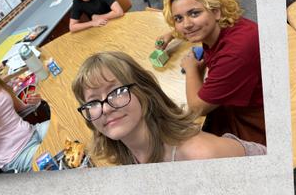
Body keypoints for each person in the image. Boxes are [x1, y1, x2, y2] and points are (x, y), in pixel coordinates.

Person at [71, 51, 259, 164]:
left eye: (117, 91)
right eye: (93, 102)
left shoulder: (199, 154)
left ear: (144, 91)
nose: (105, 108)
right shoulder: (125, 147)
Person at [159, 0, 266, 145]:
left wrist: (191, 68)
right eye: (179, 18)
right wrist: (171, 34)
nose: (186, 24)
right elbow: (190, 25)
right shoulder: (225, 24)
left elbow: (197, 108)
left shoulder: (234, 55)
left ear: (216, 12)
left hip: (256, 112)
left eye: (194, 13)